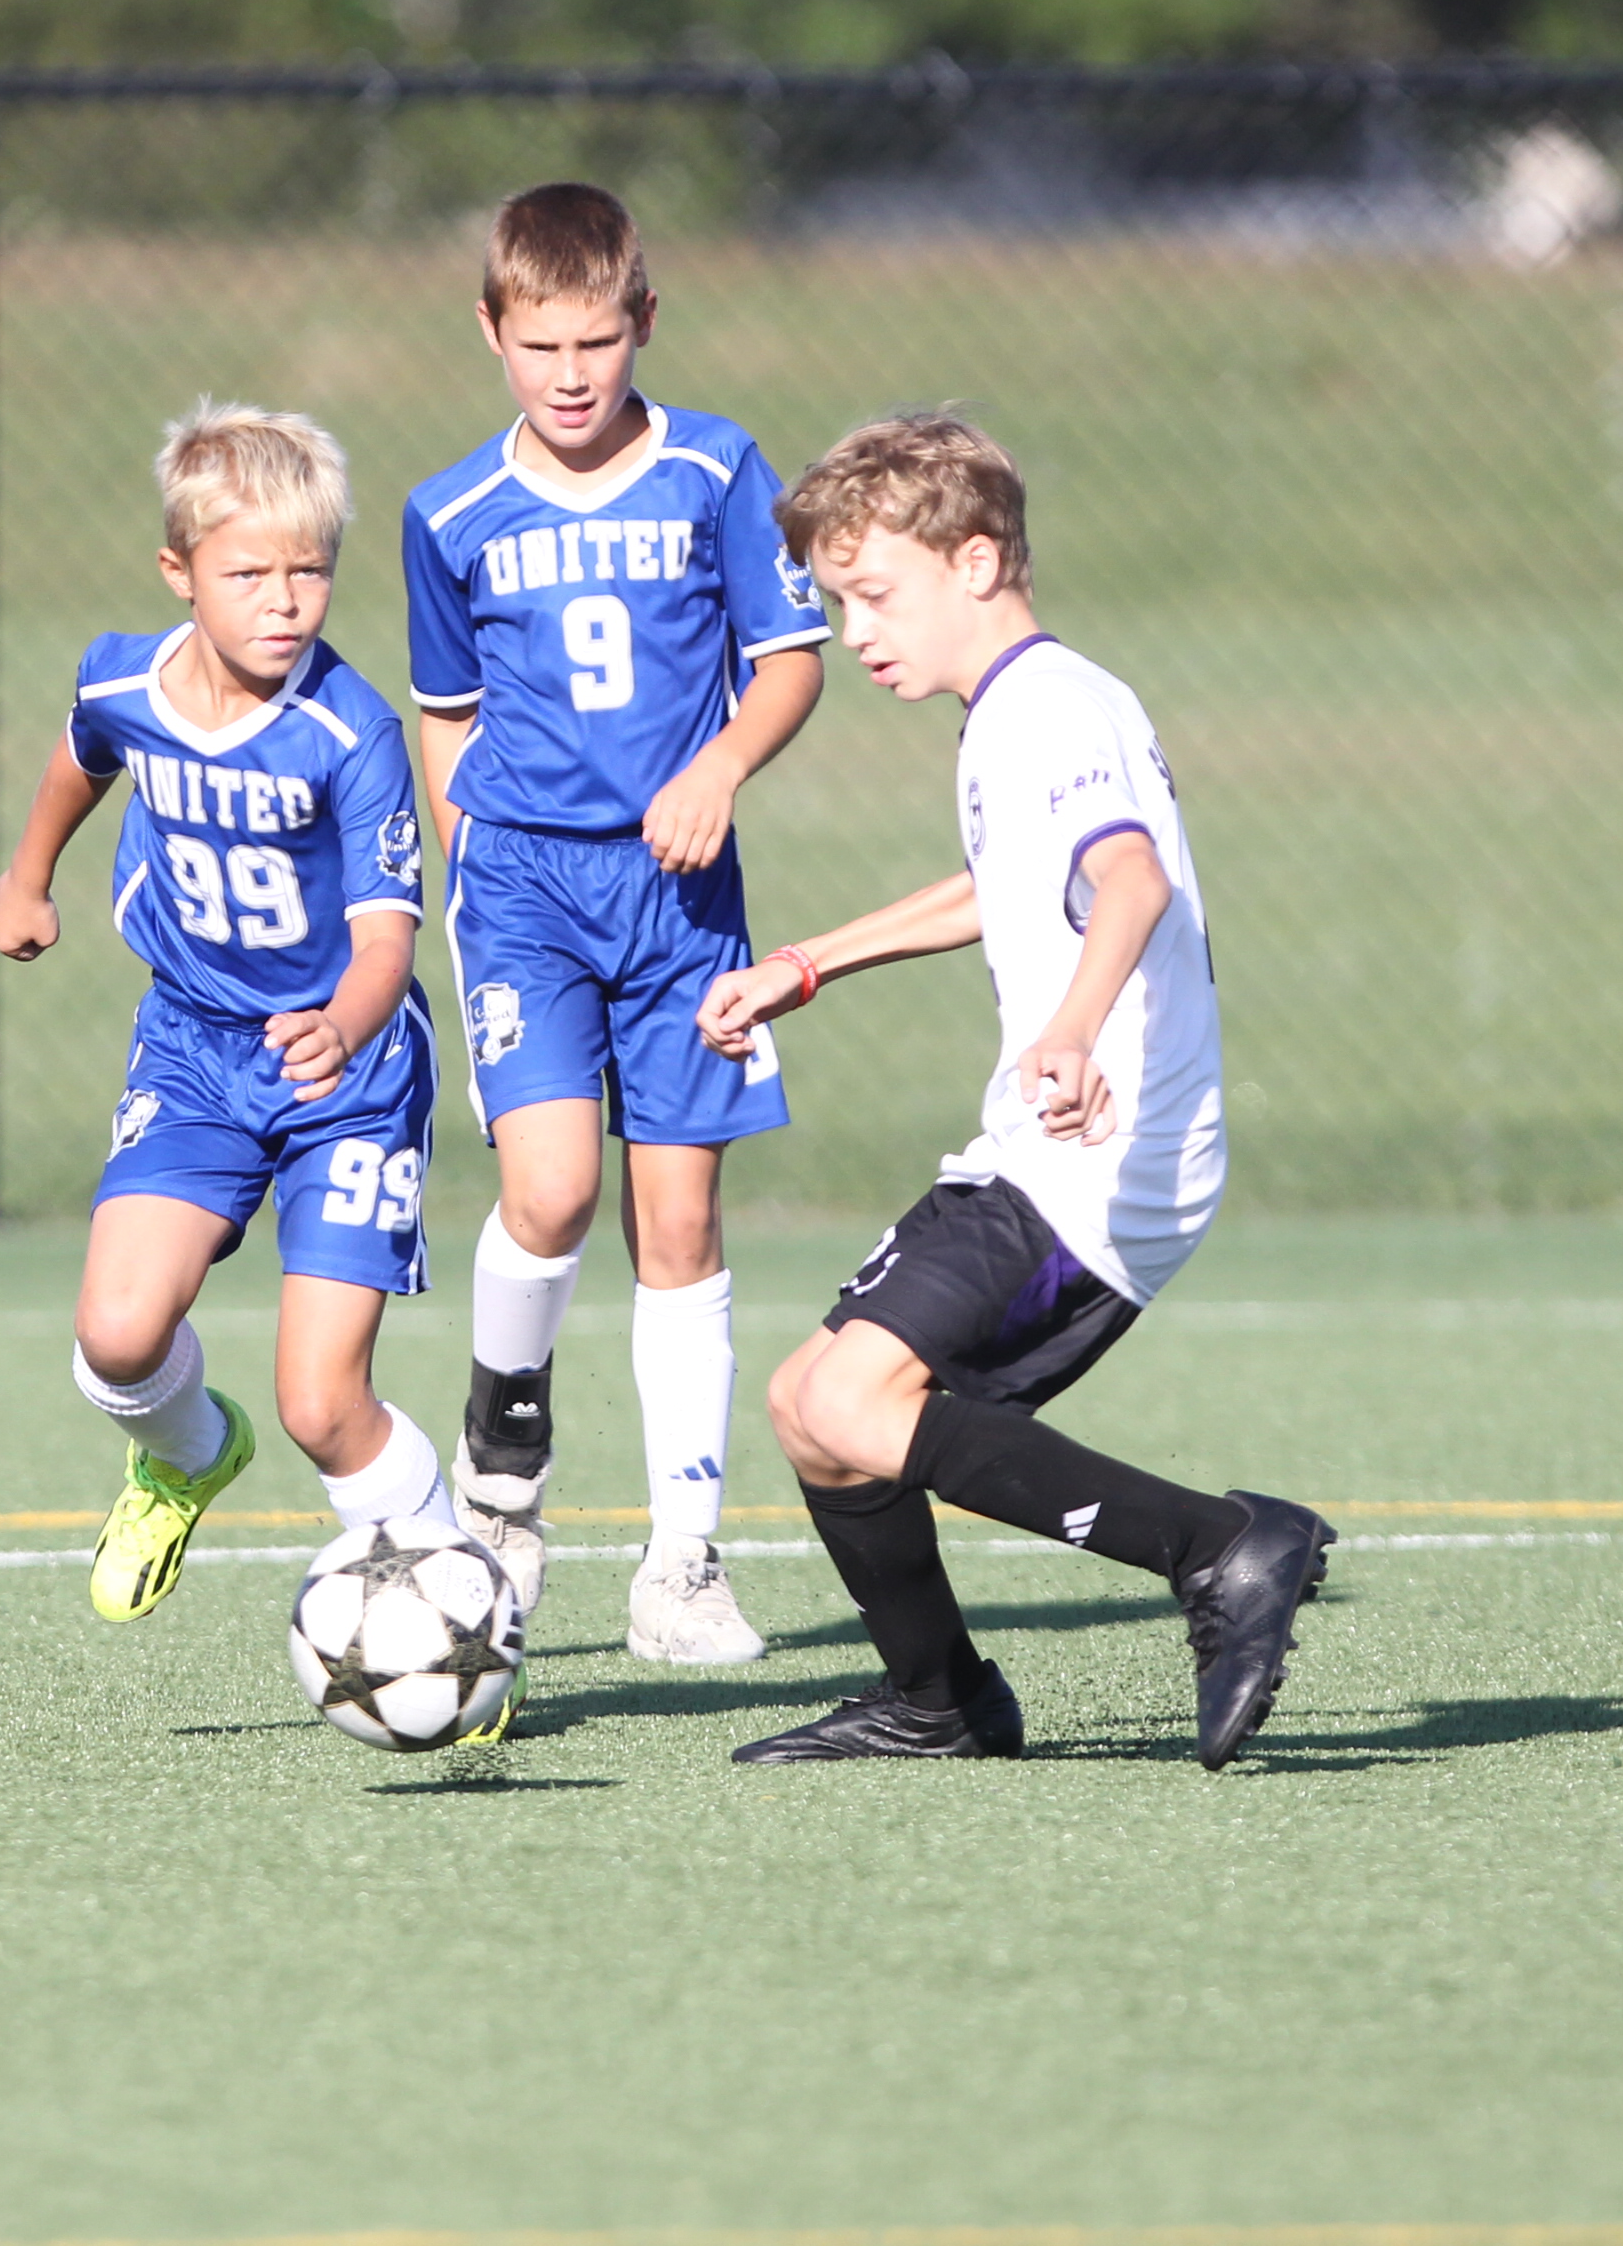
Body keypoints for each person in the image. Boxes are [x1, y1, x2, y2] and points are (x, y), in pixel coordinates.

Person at [694, 412, 1329, 1769]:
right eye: (840, 602)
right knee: (814, 1408)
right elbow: (1007, 885)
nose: (856, 632)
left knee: (850, 1404)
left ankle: (1224, 1548)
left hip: (1093, 1154)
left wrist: (1075, 1029)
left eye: (877, 595)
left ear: (975, 563)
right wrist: (808, 964)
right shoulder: (1019, 711)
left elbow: (1129, 880)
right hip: (1047, 1150)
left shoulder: (1049, 707)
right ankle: (939, 1701)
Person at [400, 184, 828, 1663]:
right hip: (527, 894)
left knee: (682, 1218)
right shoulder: (450, 511)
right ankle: (503, 1472)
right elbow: (447, 712)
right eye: (542, 345)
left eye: (597, 340)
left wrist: (720, 766)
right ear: (491, 332)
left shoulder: (715, 468)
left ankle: (683, 1565)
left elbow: (789, 660)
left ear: (644, 320)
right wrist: (469, 855)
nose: (571, 373)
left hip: (682, 902)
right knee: (553, 1191)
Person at [0, 402, 454, 1628]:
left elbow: (387, 942)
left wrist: (344, 1025)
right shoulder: (123, 678)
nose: (285, 602)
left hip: (346, 1075)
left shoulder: (350, 733)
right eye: (249, 574)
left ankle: (457, 1617)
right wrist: (28, 875)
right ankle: (190, 1456)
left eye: (311, 571)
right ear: (179, 572)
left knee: (323, 1406)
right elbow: (84, 750)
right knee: (117, 1337)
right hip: (194, 1050)